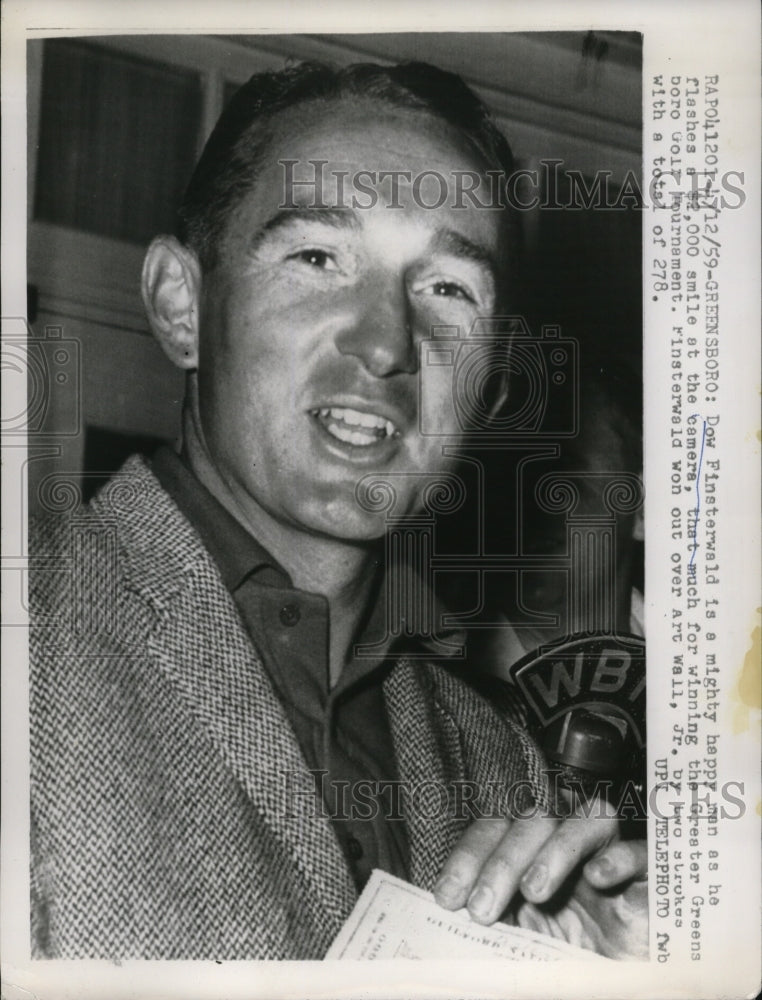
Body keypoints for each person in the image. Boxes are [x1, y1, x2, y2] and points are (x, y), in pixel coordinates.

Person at [30, 60, 647, 960]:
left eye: (448, 290)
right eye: (318, 258)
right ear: (181, 304)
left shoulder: (501, 759)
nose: (390, 342)